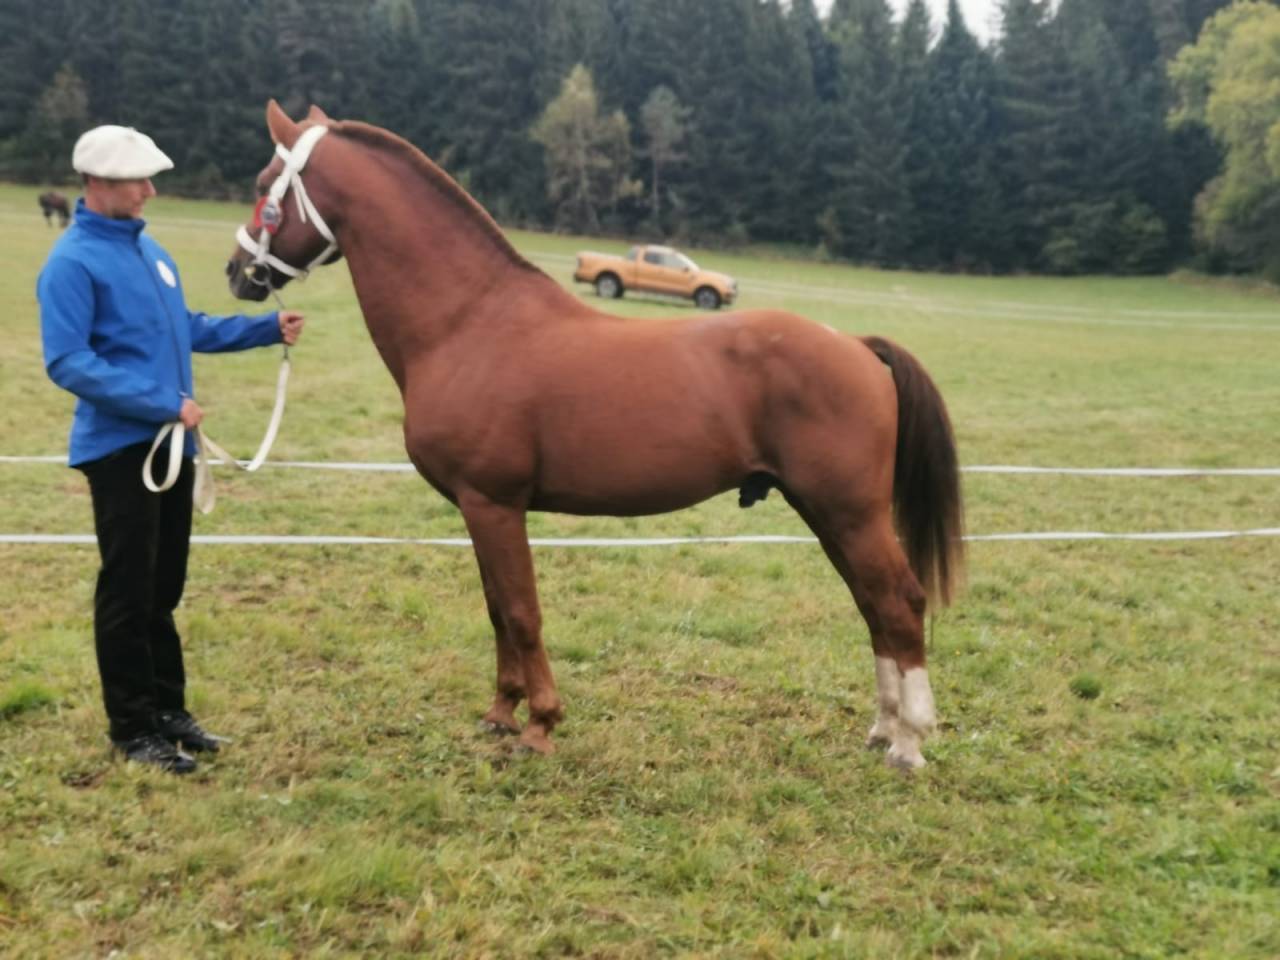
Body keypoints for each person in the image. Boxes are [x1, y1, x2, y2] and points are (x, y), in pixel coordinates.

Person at [36, 125, 305, 774]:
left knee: (163, 587)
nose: (150, 191)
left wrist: (264, 329)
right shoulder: (71, 263)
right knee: (128, 591)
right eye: (139, 181)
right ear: (98, 183)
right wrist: (163, 402)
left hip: (171, 448)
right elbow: (68, 361)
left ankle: (167, 711)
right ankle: (132, 729)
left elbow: (182, 328)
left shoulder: (151, 253)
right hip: (120, 451)